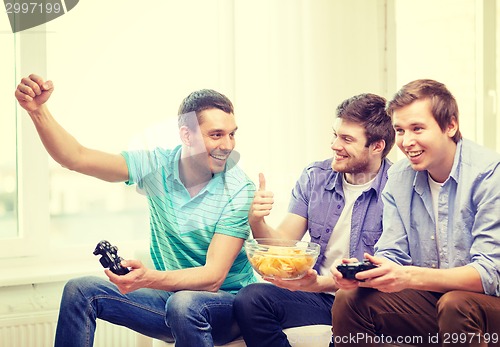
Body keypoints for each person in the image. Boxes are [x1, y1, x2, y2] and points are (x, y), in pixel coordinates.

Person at [15, 74, 257, 347]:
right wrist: (38, 112)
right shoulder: (157, 166)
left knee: (184, 302)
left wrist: (150, 279)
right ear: (186, 135)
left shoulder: (239, 188)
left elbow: (213, 277)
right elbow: (76, 157)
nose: (227, 145)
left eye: (232, 134)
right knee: (80, 290)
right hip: (172, 302)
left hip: (228, 309)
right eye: (216, 135)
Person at [330, 79, 500, 347]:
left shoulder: (489, 174)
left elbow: (490, 274)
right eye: (399, 130)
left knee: (455, 304)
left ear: (450, 126)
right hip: (434, 303)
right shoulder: (399, 177)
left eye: (417, 128)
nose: (407, 141)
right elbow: (393, 254)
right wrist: (364, 274)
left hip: (485, 307)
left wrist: (409, 276)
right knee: (349, 299)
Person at [233, 93, 395, 347]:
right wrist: (257, 221)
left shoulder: (397, 189)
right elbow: (284, 244)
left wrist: (320, 284)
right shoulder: (316, 177)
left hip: (364, 300)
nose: (334, 145)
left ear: (377, 146)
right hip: (319, 297)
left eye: (347, 139)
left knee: (349, 303)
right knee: (250, 299)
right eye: (335, 135)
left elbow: (388, 272)